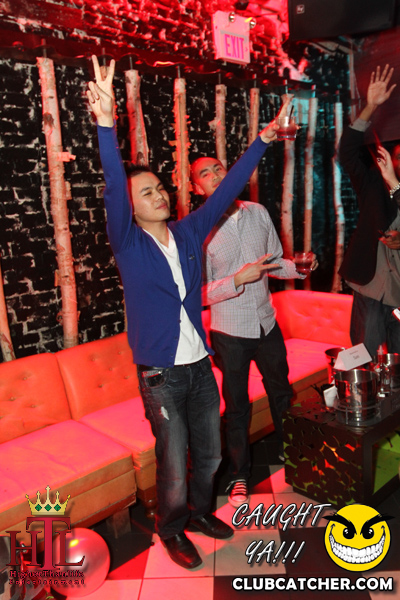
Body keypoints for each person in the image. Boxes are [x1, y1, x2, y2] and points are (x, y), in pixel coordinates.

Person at [86, 55, 286, 569]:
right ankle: (171, 528)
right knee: (174, 461)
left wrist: (263, 140)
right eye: (146, 192)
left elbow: (227, 189)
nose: (159, 194)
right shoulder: (128, 243)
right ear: (131, 208)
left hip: (199, 366)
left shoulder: (189, 232)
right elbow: (113, 186)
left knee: (211, 452)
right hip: (161, 374)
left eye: (159, 187)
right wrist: (106, 123)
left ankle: (199, 513)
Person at [191, 154, 318, 508]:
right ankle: (240, 475)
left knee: (282, 393)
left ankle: (293, 456)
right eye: (205, 174)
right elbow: (197, 293)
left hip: (267, 322)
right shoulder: (198, 229)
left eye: (218, 169)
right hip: (230, 331)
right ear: (196, 187)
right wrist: (236, 280)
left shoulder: (258, 212)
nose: (215, 176)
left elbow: (273, 263)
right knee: (237, 407)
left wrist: (300, 269)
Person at [339, 64, 400, 357]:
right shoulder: (374, 182)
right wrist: (370, 107)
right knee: (363, 357)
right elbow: (347, 152)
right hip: (370, 285)